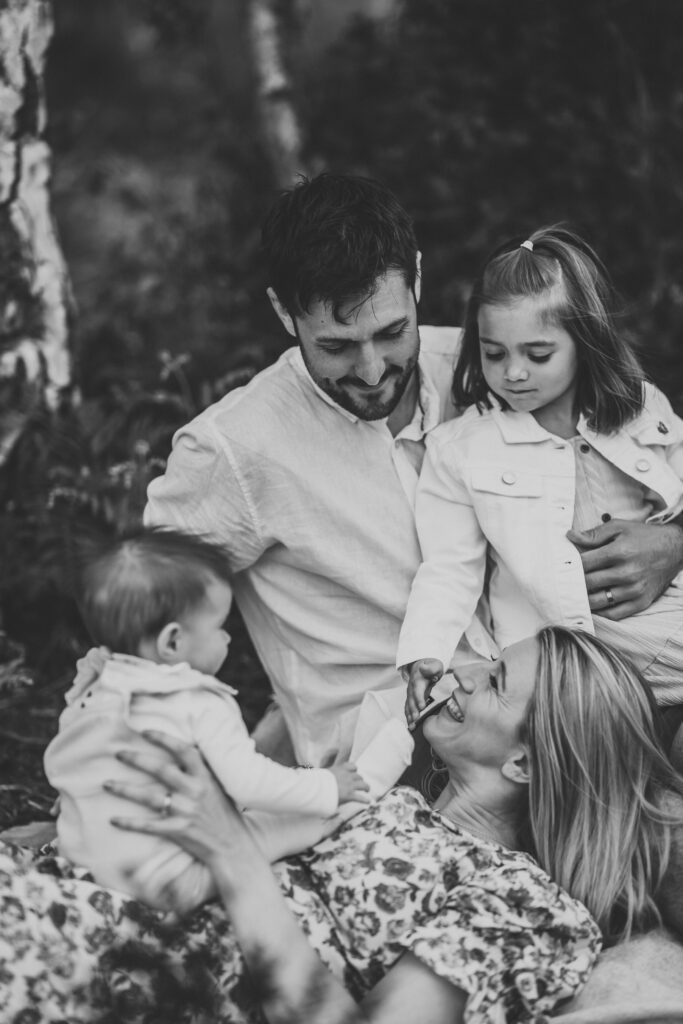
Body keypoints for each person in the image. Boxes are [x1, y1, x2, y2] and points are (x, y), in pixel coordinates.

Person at [143, 176, 683, 770]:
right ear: (282, 311)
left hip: (560, 710)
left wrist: (675, 542)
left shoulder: (493, 366)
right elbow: (145, 635)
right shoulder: (232, 448)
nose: (372, 369)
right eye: (337, 346)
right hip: (399, 763)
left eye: (392, 332)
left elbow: (642, 442)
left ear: (417, 279)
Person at [3, 627, 683, 1023]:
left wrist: (235, 856)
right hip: (81, 903)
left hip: (128, 974)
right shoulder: (378, 794)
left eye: (496, 679)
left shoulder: (523, 905)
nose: (463, 672)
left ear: (525, 764)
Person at [399, 226, 683, 746]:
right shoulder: (463, 449)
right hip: (568, 645)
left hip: (661, 618)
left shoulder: (640, 411)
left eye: (538, 353)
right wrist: (425, 650)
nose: (513, 373)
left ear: (584, 341)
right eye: (494, 353)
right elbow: (448, 567)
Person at [43, 527, 367, 914]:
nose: (228, 639)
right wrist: (326, 785)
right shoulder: (194, 699)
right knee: (297, 818)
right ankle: (341, 819)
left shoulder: (94, 688)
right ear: (173, 643)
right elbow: (249, 783)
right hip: (171, 881)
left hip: (86, 864)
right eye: (220, 627)